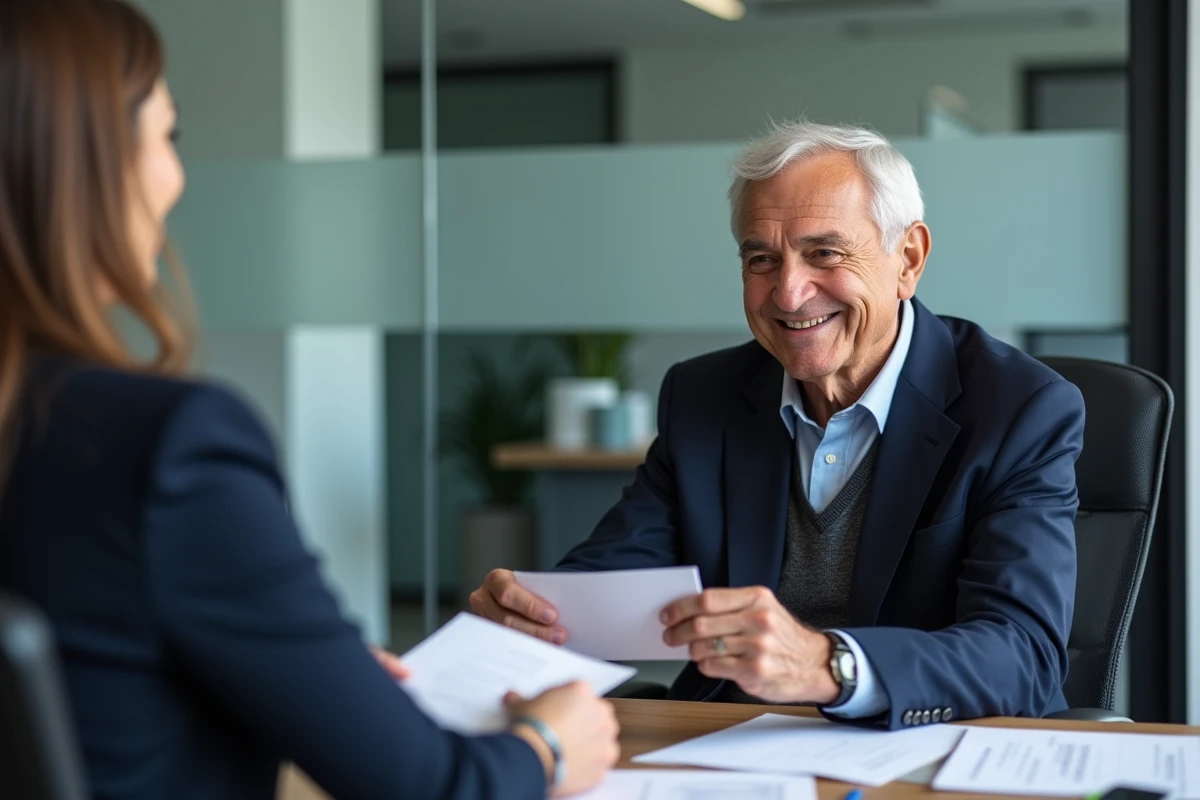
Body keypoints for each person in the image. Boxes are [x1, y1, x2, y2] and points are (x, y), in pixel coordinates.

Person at [0, 1, 618, 798]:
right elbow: (434, 788)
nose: (176, 177)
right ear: (87, 162)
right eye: (168, 133)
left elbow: (97, 681)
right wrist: (550, 741)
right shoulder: (166, 445)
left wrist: (294, 670)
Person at [472, 121, 1084, 730]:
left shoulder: (1019, 409)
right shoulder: (702, 396)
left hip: (924, 748)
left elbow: (1022, 656)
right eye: (761, 259)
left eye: (825, 253)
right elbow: (618, 578)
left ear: (909, 259)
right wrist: (534, 616)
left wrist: (829, 665)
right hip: (728, 748)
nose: (788, 294)